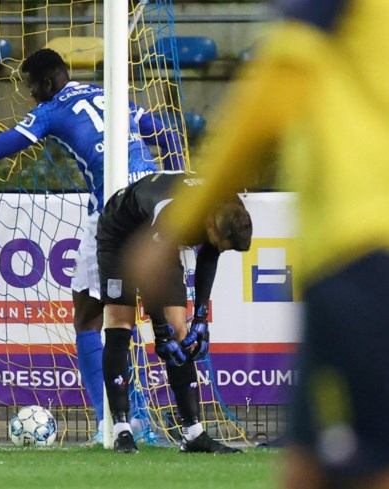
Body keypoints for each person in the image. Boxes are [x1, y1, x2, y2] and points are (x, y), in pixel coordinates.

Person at [127, 0, 389, 485]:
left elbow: (271, 97)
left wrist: (176, 227)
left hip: (360, 253)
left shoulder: (328, 12)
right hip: (356, 258)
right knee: (312, 461)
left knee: (361, 459)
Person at [0, 48, 184, 445]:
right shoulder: (107, 94)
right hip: (155, 203)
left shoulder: (51, 110)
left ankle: (113, 422)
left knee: (90, 317)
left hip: (113, 213)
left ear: (48, 83)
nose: (30, 94)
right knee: (161, 318)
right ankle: (184, 423)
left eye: (31, 86)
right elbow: (167, 133)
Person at [98, 171, 252, 453]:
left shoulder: (228, 206)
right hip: (121, 232)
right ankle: (120, 429)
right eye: (219, 242)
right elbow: (149, 270)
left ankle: (193, 434)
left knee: (180, 329)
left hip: (157, 238)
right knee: (120, 322)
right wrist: (159, 331)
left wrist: (201, 316)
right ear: (210, 223)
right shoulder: (174, 213)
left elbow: (210, 252)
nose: (219, 248)